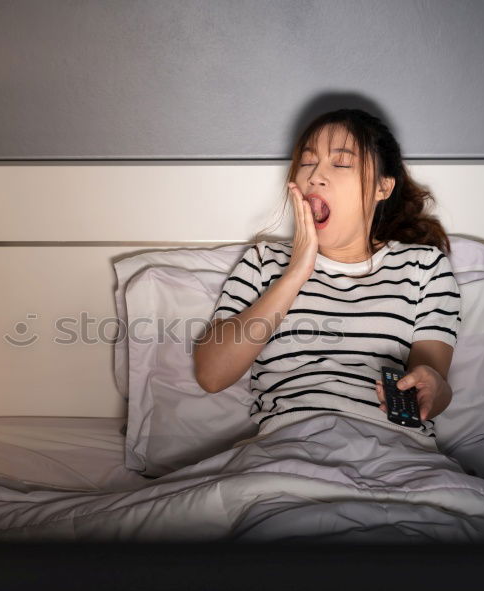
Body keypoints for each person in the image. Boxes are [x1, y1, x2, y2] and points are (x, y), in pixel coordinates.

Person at [192, 108, 461, 450]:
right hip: (286, 448)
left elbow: (432, 387)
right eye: (308, 162)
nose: (316, 176)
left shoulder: (425, 266)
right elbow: (211, 375)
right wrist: (295, 273)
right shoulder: (262, 261)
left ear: (383, 186)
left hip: (393, 450)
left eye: (341, 163)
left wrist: (433, 388)